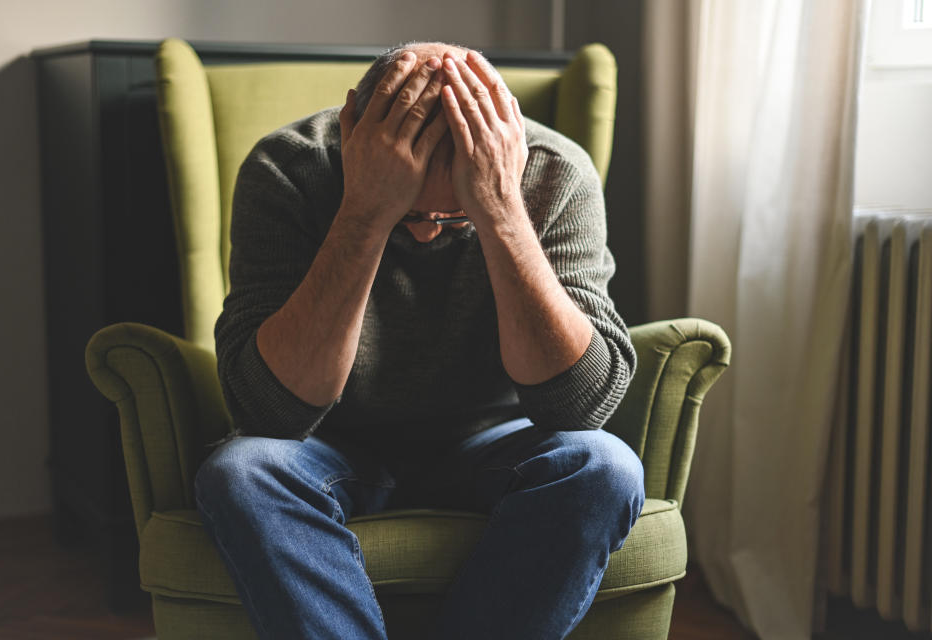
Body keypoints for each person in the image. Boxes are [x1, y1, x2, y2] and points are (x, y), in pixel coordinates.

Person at [193, 41, 645, 640]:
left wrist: (499, 210)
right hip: (330, 442)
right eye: (414, 214)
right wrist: (367, 212)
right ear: (354, 128)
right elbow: (267, 411)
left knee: (606, 467)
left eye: (450, 216)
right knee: (240, 471)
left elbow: (578, 407)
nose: (429, 234)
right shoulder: (287, 167)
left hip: (497, 441)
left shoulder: (555, 170)